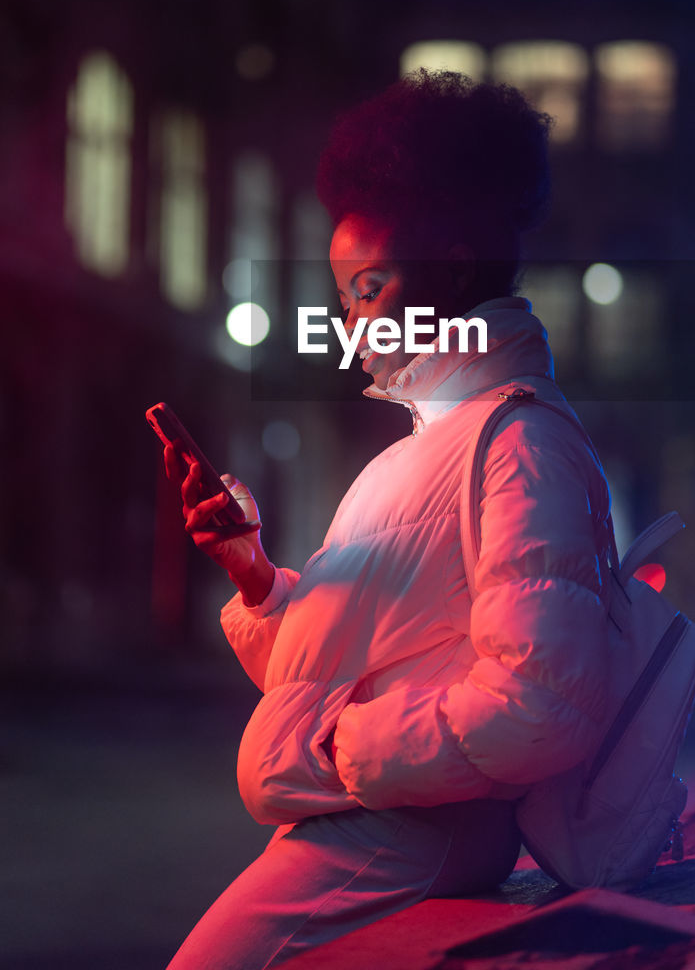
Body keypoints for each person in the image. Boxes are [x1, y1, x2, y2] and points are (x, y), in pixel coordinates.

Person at [165, 70, 613, 969]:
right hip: (376, 829)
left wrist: (339, 745)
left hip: (403, 836)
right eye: (344, 299)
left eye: (368, 288)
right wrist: (252, 571)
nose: (354, 324)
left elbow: (545, 704)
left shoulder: (516, 444)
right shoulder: (427, 445)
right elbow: (342, 663)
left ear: (448, 266)